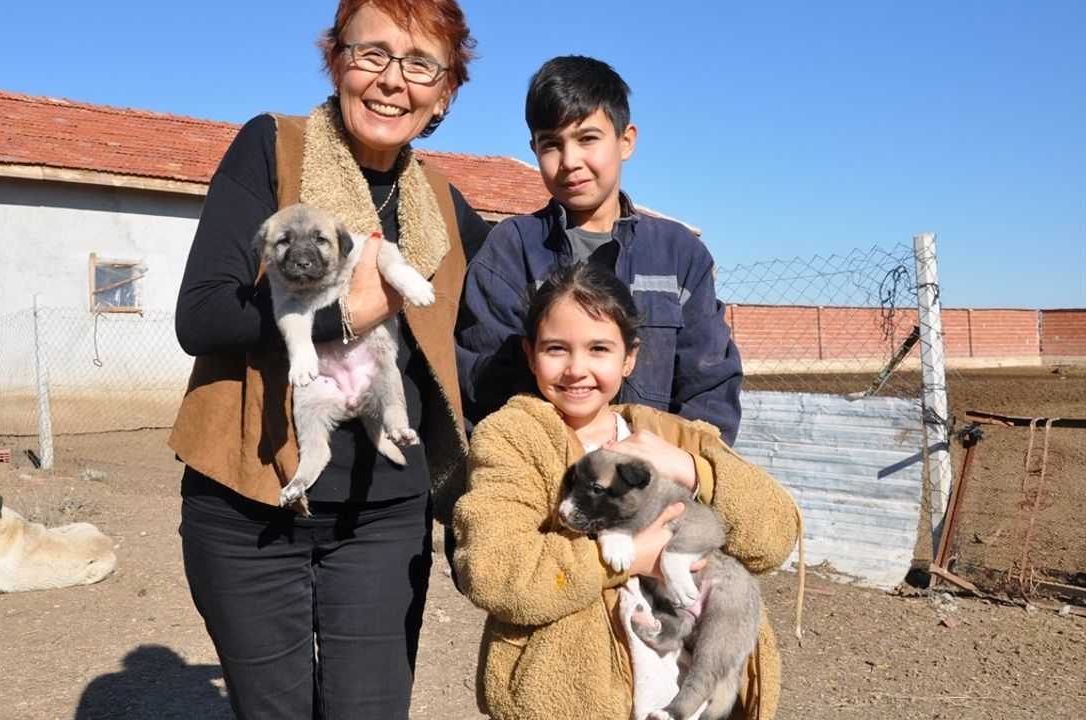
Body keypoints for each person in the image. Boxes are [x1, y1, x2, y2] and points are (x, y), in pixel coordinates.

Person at [168, 2, 489, 717]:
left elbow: (509, 322)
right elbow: (201, 314)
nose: (391, 81)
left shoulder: (443, 201)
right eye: (370, 53)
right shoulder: (272, 148)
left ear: (445, 92)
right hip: (250, 501)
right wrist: (344, 314)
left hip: (382, 517)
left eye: (419, 64)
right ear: (337, 61)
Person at [452, 263, 801, 720]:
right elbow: (491, 570)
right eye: (557, 348)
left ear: (629, 357)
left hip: (684, 692)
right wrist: (625, 558)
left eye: (599, 348)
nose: (577, 369)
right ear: (531, 354)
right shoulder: (513, 440)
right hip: (572, 700)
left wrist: (692, 469)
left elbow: (774, 538)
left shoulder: (669, 434)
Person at [456, 55, 744, 444]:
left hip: (652, 484)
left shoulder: (679, 254)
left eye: (587, 139)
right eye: (551, 145)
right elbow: (485, 385)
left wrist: (670, 467)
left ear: (626, 141)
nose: (570, 161)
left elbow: (709, 389)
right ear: (534, 149)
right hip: (541, 476)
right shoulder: (511, 250)